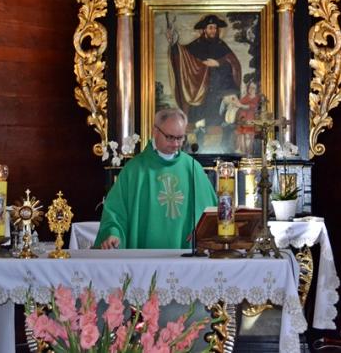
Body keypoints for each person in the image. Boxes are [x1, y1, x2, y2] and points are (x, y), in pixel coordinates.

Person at [94, 108, 217, 249]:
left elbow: (211, 214)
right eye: (170, 137)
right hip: (145, 258)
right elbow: (116, 211)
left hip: (184, 258)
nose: (176, 144)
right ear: (155, 131)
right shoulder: (134, 170)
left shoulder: (193, 169)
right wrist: (113, 233)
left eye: (180, 138)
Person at [168, 14, 242, 129]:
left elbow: (234, 65)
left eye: (215, 28)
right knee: (199, 123)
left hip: (217, 90)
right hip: (200, 89)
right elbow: (183, 55)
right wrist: (173, 42)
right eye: (210, 27)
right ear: (204, 30)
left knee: (215, 121)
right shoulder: (196, 45)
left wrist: (218, 63)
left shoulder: (221, 45)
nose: (213, 30)